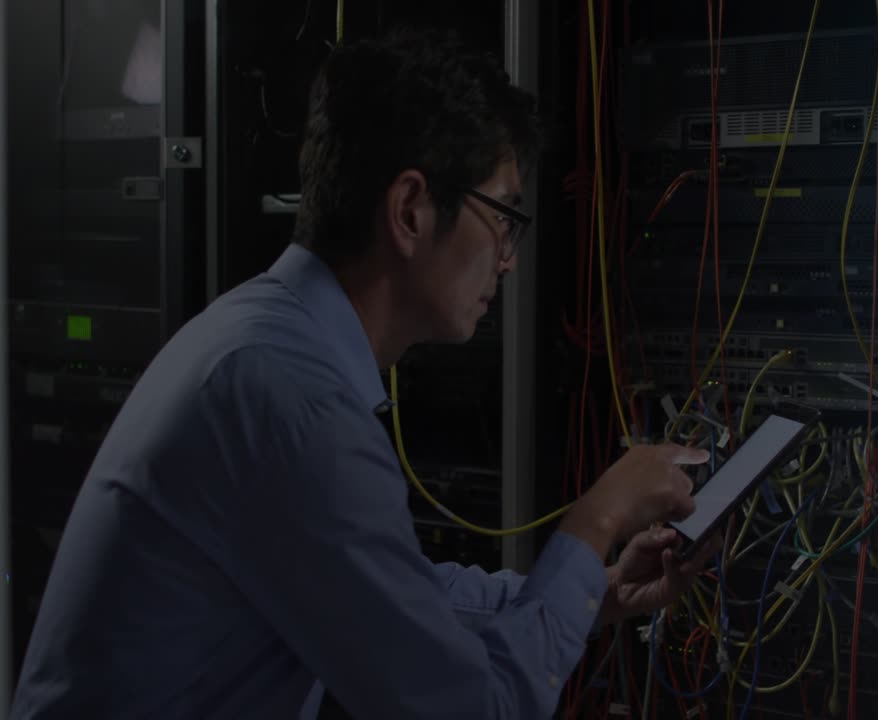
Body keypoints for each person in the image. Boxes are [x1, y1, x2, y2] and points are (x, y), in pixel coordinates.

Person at [12, 29, 717, 719]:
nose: (508, 258)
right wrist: (599, 517)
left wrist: (596, 590)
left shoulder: (263, 342)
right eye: (503, 215)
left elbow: (395, 600)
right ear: (410, 210)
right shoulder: (294, 404)